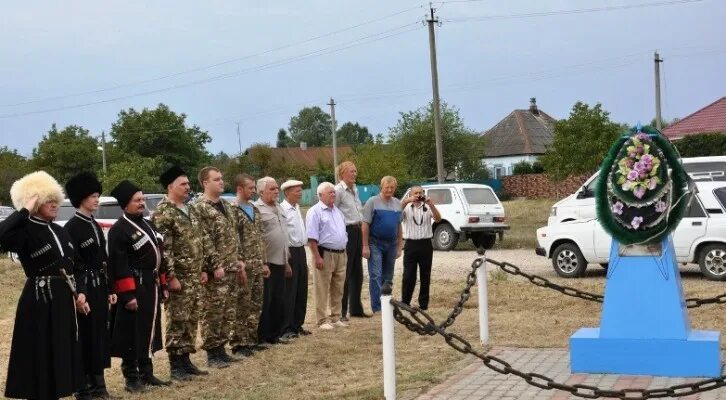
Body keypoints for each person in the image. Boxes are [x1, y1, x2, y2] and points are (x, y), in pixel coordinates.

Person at [2, 171, 87, 400]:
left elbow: (77, 266)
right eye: (47, 200)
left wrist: (81, 293)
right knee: (39, 354)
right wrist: (24, 209)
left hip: (63, 299)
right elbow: (2, 235)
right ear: (35, 202)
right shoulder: (24, 232)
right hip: (38, 300)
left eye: (55, 199)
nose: (54, 204)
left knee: (59, 352)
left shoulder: (61, 231)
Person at [107, 180, 169, 393]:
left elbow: (159, 256)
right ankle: (131, 378)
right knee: (132, 332)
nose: (142, 203)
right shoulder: (119, 230)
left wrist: (163, 284)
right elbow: (118, 264)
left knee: (148, 329)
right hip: (134, 285)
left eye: (143, 199)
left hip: (150, 284)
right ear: (126, 204)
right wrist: (128, 295)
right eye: (137, 200)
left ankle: (147, 372)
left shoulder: (147, 224)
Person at [151, 166, 208, 380]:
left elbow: (198, 240)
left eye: (188, 183)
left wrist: (203, 268)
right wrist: (171, 276)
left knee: (191, 318)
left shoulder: (189, 209)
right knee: (177, 318)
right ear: (170, 187)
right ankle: (175, 363)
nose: (188, 187)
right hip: (179, 276)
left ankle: (186, 359)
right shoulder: (163, 212)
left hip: (194, 273)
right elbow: (165, 248)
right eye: (183, 184)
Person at [63, 172, 115, 399]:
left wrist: (111, 288)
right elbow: (74, 264)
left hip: (100, 285)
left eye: (98, 196)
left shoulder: (94, 223)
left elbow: (104, 258)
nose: (97, 200)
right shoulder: (73, 227)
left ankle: (100, 387)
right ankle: (83, 389)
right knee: (86, 337)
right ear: (81, 198)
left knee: (100, 336)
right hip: (85, 287)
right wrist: (79, 294)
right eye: (93, 196)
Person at [193, 167, 246, 368]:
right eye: (216, 179)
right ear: (205, 183)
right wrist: (212, 265)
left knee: (227, 310)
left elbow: (234, 236)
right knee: (212, 311)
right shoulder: (199, 207)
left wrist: (239, 260)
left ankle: (221, 348)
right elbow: (203, 240)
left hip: (231, 266)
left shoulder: (226, 205)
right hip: (216, 270)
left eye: (222, 178)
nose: (221, 182)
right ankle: (212, 352)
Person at [229, 173, 268, 356]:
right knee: (242, 304)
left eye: (254, 187)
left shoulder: (254, 209)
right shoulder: (233, 210)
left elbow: (261, 238)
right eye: (250, 188)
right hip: (244, 265)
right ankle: (239, 342)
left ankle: (251, 339)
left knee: (255, 304)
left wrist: (264, 262)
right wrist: (239, 263)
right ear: (239, 189)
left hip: (257, 264)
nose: (253, 191)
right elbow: (233, 241)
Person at [254, 177, 292, 345]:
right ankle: (262, 337)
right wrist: (262, 262)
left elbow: (284, 235)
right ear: (261, 192)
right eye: (272, 189)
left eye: (277, 188)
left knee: (279, 299)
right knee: (266, 301)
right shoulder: (256, 209)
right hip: (267, 262)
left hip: (281, 261)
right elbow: (257, 237)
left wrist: (287, 261)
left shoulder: (279, 207)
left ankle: (275, 335)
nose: (276, 191)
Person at [306, 182, 348, 330]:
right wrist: (317, 257)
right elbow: (312, 238)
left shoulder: (337, 211)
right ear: (320, 195)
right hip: (325, 253)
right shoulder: (315, 211)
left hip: (341, 254)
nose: (333, 194)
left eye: (334, 192)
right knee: (322, 287)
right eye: (330, 192)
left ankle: (336, 316)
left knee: (338, 287)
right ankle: (322, 319)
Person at [334, 161, 370, 321]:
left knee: (358, 273)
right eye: (351, 172)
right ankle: (341, 312)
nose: (354, 174)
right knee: (345, 273)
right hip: (346, 232)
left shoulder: (355, 189)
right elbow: (332, 212)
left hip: (357, 230)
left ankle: (355, 309)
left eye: (355, 171)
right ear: (342, 174)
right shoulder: (338, 190)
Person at [362, 176, 402, 313]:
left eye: (392, 188)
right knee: (375, 275)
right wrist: (365, 246)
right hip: (375, 244)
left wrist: (399, 246)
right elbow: (365, 224)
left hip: (391, 244)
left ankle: (386, 304)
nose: (389, 190)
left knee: (388, 276)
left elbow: (399, 225)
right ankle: (377, 307)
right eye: (387, 187)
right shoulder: (372, 202)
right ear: (381, 187)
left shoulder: (397, 203)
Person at [400, 186, 441, 310]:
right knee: (408, 275)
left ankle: (423, 304)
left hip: (425, 244)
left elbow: (438, 219)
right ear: (411, 195)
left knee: (425, 275)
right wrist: (406, 201)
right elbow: (396, 216)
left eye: (420, 193)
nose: (418, 195)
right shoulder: (406, 208)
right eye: (415, 193)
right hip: (411, 244)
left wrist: (432, 205)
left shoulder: (427, 207)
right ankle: (405, 302)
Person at [279, 179, 310, 340]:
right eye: (297, 190)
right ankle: (286, 327)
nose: (300, 193)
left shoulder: (296, 208)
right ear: (288, 192)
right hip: (290, 251)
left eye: (300, 190)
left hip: (301, 250)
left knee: (301, 288)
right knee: (290, 291)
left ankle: (298, 324)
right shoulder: (283, 209)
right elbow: (284, 234)